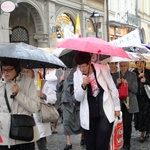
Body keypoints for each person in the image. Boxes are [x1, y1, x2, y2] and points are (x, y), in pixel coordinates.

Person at [73, 51, 121, 150]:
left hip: (104, 113)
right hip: (89, 115)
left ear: (89, 62)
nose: (82, 69)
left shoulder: (101, 69)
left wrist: (117, 108)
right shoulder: (77, 75)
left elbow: (112, 88)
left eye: (84, 66)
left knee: (102, 145)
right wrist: (83, 86)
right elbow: (77, 97)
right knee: (90, 146)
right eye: (79, 67)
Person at [0, 58, 40, 150]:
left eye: (9, 69)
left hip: (24, 133)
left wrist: (18, 94)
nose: (6, 73)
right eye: (3, 69)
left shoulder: (28, 82)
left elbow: (35, 108)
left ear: (17, 68)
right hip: (5, 134)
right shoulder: (1, 84)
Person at [22, 68, 57, 150]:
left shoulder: (42, 83)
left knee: (41, 145)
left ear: (33, 72)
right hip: (25, 120)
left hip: (39, 119)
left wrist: (43, 95)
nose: (25, 74)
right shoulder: (20, 84)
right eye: (23, 72)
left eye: (27, 71)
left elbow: (53, 98)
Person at [112, 62, 139, 150]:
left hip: (129, 103)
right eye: (121, 66)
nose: (123, 68)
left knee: (127, 124)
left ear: (127, 66)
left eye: (124, 66)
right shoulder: (116, 75)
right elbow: (112, 90)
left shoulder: (133, 75)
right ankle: (119, 141)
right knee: (119, 123)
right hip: (119, 103)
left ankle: (127, 143)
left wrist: (127, 84)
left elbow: (135, 89)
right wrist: (117, 83)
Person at [133, 61, 150, 142]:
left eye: (141, 63)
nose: (139, 64)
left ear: (144, 63)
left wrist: (146, 80)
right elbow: (131, 84)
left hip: (147, 97)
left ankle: (144, 132)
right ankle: (143, 130)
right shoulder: (134, 72)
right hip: (137, 97)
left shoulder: (148, 72)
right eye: (138, 63)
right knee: (139, 115)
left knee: (146, 114)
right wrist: (138, 78)